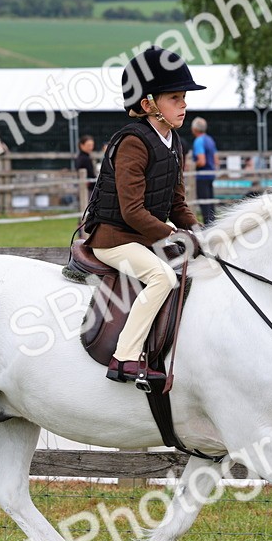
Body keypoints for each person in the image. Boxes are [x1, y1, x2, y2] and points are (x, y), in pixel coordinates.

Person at [82, 45, 204, 385]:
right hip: (115, 239)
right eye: (175, 98)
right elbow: (132, 211)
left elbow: (177, 204)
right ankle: (124, 358)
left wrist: (199, 232)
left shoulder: (174, 141)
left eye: (183, 97)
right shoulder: (133, 143)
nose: (183, 104)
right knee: (162, 278)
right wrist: (174, 237)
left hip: (143, 238)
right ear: (149, 104)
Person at [191, 116, 218, 224]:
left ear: (195, 129)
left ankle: (208, 227)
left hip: (202, 176)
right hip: (211, 174)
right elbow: (216, 159)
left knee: (204, 205)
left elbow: (202, 161)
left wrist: (192, 165)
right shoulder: (210, 140)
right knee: (210, 203)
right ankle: (213, 225)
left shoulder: (199, 141)